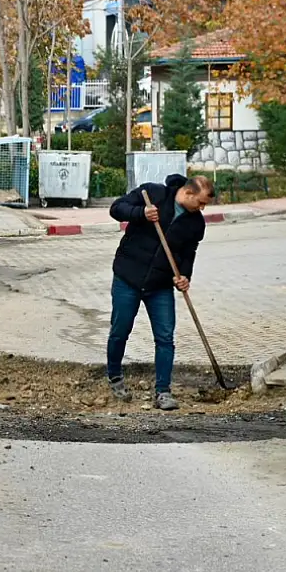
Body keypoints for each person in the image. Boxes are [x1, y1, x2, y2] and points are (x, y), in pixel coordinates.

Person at [106, 174, 215, 410]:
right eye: (201, 202)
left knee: (165, 338)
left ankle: (163, 391)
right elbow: (116, 208)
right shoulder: (153, 194)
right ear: (188, 193)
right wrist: (141, 214)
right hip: (128, 276)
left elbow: (189, 253)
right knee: (120, 329)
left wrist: (185, 276)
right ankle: (114, 375)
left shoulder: (196, 223)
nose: (203, 208)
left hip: (160, 285)